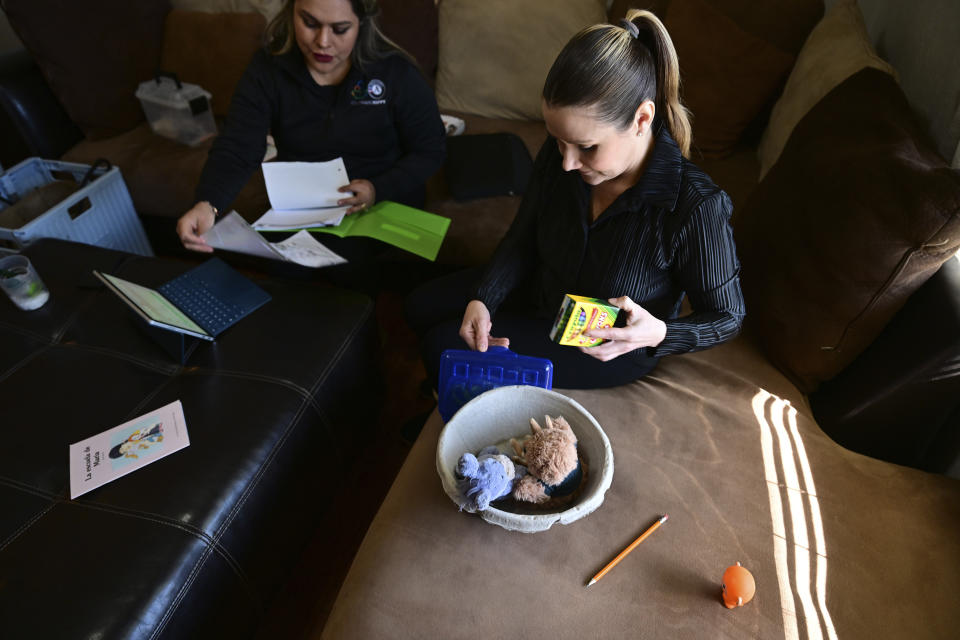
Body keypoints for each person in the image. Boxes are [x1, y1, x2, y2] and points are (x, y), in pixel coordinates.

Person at [407, 9, 745, 390]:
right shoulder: (561, 157)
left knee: (442, 345)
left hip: (599, 346)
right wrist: (484, 298)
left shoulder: (695, 204)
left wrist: (658, 333)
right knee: (420, 304)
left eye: (586, 147)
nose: (567, 162)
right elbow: (523, 237)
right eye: (558, 141)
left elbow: (727, 316)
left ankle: (448, 399)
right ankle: (448, 393)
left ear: (641, 119)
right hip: (542, 290)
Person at [175, 0, 445, 261]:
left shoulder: (396, 73)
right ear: (291, 11)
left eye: (340, 29)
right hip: (303, 207)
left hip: (386, 198)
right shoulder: (268, 69)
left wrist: (378, 189)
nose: (323, 42)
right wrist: (207, 203)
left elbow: (431, 149)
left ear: (361, 23)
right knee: (280, 271)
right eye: (310, 23)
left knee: (354, 272)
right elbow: (238, 145)